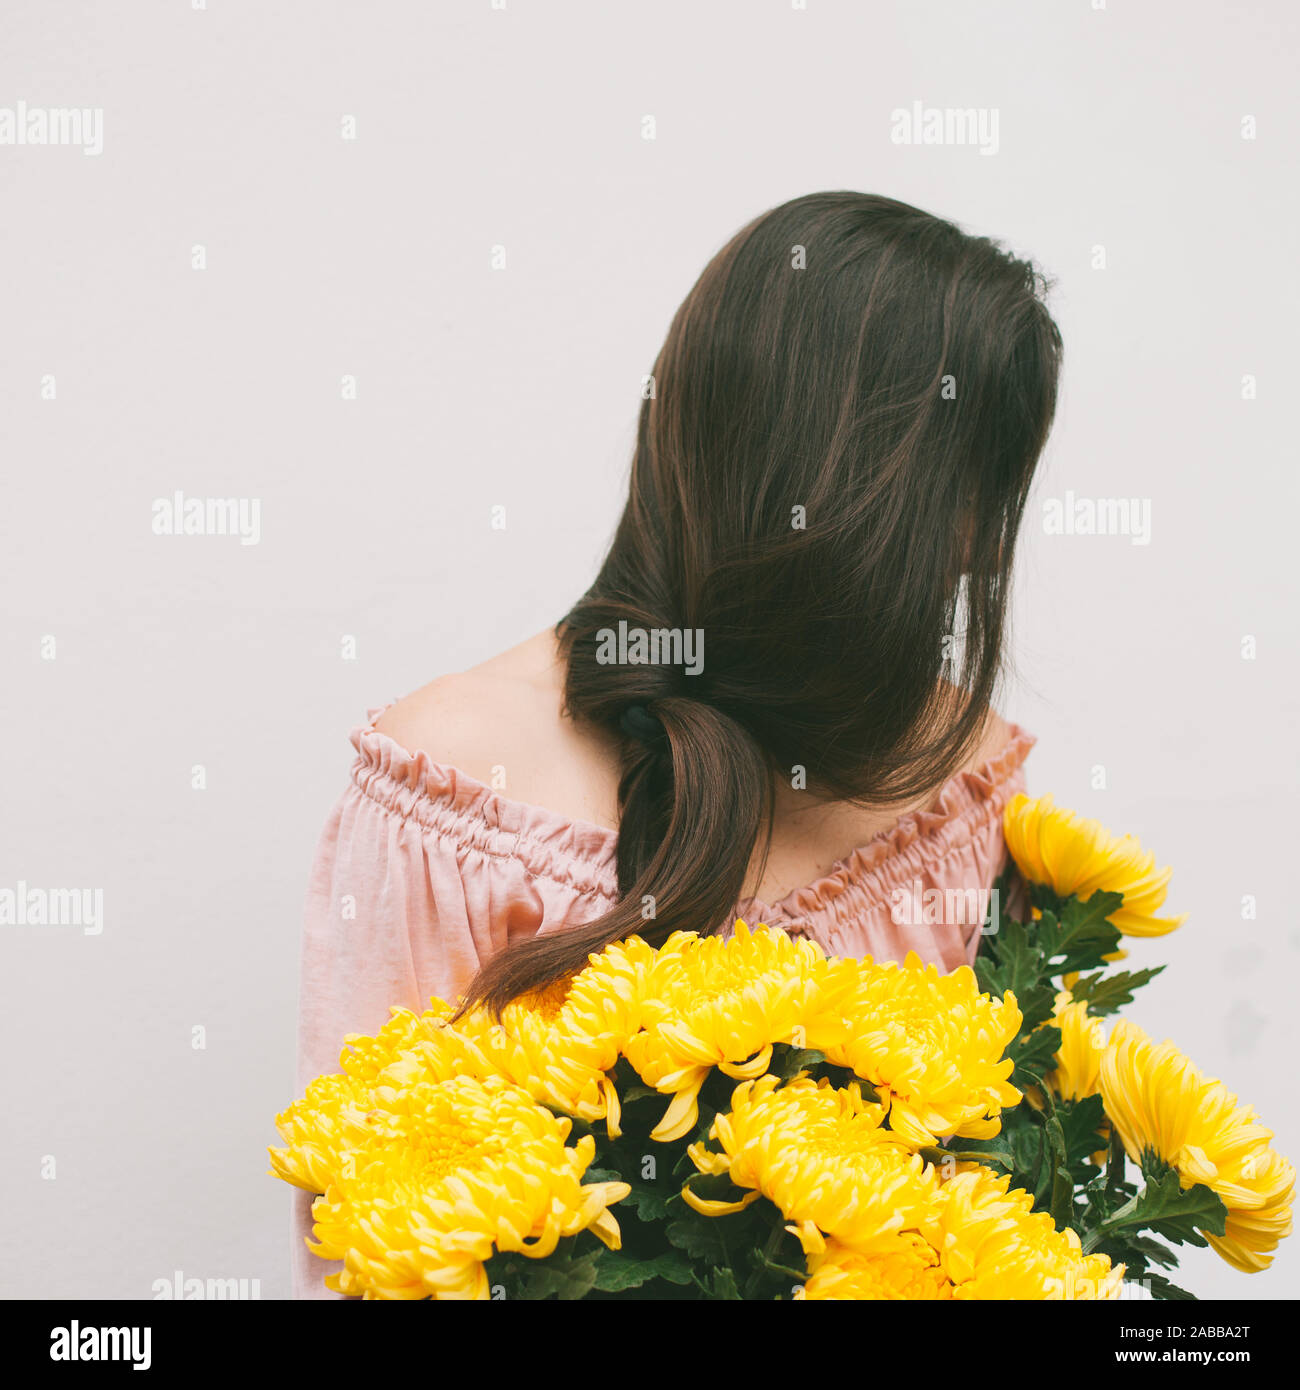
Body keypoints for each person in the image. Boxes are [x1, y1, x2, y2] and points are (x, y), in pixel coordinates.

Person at [290, 191, 1061, 1296]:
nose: (980, 543)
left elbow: (1000, 1209)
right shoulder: (453, 784)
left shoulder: (966, 773)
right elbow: (367, 1245)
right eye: (967, 496)